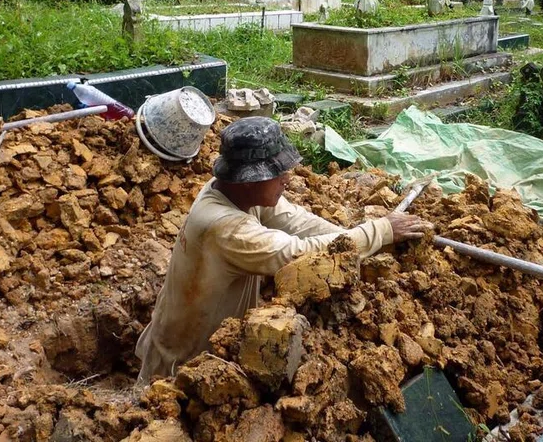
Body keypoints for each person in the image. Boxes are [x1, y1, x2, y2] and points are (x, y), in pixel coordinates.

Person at [135, 117, 429, 382]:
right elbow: (301, 254)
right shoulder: (225, 228)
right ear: (251, 179)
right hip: (184, 371)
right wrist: (381, 231)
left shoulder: (232, 192)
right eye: (278, 172)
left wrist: (360, 239)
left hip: (199, 351)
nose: (287, 178)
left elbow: (298, 222)